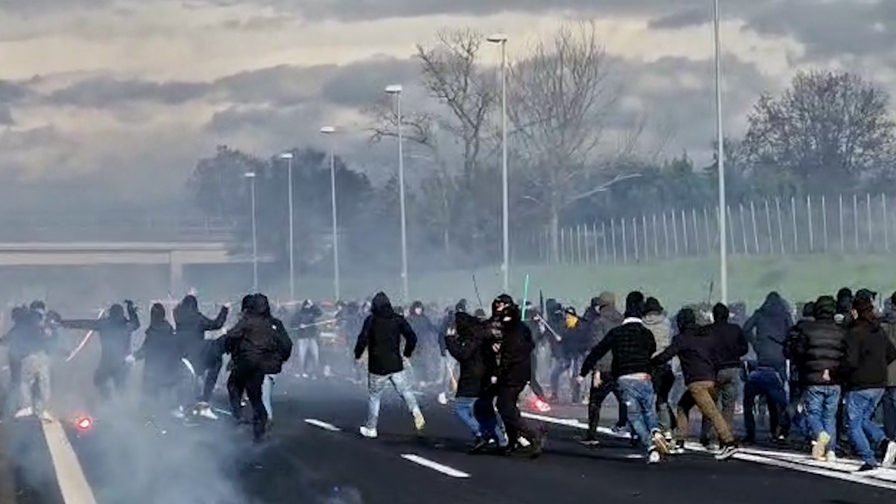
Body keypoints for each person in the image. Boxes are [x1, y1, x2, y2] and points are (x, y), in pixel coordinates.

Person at [581, 291, 667, 463]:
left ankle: (650, 446)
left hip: (624, 377)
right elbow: (651, 350)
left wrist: (585, 371)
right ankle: (656, 430)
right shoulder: (646, 333)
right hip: (644, 377)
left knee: (634, 416)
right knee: (648, 410)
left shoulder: (615, 332)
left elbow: (598, 350)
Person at [652, 308, 738, 460]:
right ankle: (680, 441)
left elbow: (666, 356)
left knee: (712, 413)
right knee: (683, 406)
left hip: (696, 382)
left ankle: (729, 442)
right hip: (712, 379)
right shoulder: (706, 337)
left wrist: (650, 362)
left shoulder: (681, 339)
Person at [354, 292, 425, 439]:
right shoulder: (398, 319)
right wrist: (407, 352)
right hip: (396, 364)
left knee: (374, 397)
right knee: (405, 390)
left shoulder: (371, 320)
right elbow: (412, 337)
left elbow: (362, 339)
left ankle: (371, 428)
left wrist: (357, 354)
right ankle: (416, 411)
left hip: (377, 367)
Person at [223, 293, 292, 442]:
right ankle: (260, 428)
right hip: (266, 366)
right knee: (258, 398)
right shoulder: (274, 323)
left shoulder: (247, 321)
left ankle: (243, 419)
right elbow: (287, 345)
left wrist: (229, 348)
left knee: (236, 387)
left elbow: (232, 337)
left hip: (249, 364)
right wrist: (280, 360)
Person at [485, 294, 545, 457]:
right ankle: (512, 442)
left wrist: (497, 372)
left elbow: (508, 356)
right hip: (520, 372)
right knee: (508, 406)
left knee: (505, 406)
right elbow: (531, 344)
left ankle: (533, 434)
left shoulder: (512, 332)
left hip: (512, 374)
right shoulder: (521, 328)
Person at [789, 295, 846, 461]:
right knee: (830, 417)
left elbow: (798, 352)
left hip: (813, 378)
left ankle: (820, 435)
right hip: (835, 378)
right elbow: (846, 354)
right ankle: (831, 452)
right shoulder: (841, 331)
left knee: (813, 413)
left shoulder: (808, 329)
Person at [843, 295, 896, 470]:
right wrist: (878, 365)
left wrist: (840, 373)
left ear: (855, 311)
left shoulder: (854, 332)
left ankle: (869, 459)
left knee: (853, 424)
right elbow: (892, 353)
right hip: (880, 382)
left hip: (860, 382)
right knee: (864, 419)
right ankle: (884, 442)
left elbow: (850, 361)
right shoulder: (879, 330)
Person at [445, 310, 502, 452]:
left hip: (473, 376)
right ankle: (501, 439)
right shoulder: (482, 335)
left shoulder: (474, 337)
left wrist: (450, 340)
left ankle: (481, 433)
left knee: (461, 406)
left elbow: (463, 354)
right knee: (484, 409)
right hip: (485, 376)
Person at [61, 300, 140, 400]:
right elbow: (136, 324)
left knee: (101, 382)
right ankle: (114, 406)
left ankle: (111, 403)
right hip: (120, 363)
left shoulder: (105, 324)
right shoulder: (126, 325)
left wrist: (62, 323)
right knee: (118, 387)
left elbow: (82, 323)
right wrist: (131, 310)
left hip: (110, 362)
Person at [173, 295, 229, 419]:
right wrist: (225, 309)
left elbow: (175, 309)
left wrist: (184, 298)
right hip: (198, 354)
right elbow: (217, 324)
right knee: (212, 367)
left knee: (187, 382)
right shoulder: (198, 319)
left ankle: (184, 408)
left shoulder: (178, 318)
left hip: (181, 355)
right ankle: (202, 405)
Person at [128, 303, 180, 417]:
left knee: (149, 399)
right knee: (165, 400)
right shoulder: (169, 329)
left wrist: (134, 357)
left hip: (153, 372)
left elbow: (146, 348)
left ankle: (147, 421)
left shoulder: (154, 332)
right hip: (168, 371)